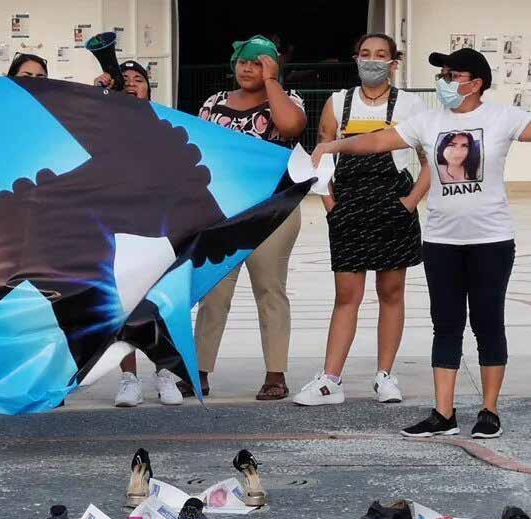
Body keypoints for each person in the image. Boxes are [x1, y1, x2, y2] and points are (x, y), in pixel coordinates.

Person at [312, 47, 531, 439]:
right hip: (441, 241)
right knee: (445, 324)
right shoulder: (429, 121)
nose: (444, 82)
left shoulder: (503, 117)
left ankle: (489, 411)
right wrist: (334, 146)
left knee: (487, 323)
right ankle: (443, 414)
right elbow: (377, 142)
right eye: (442, 75)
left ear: (475, 83)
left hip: (491, 240)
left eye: (452, 76)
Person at [294, 33, 429, 407]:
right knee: (346, 295)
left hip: (393, 207)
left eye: (381, 54)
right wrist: (331, 205)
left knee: (391, 293)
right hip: (349, 207)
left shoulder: (412, 105)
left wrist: (410, 202)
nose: (372, 60)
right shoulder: (338, 102)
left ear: (393, 63)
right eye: (366, 53)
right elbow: (321, 157)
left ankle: (385, 376)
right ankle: (330, 380)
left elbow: (431, 160)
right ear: (355, 58)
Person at [183, 35, 306, 401]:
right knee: (213, 292)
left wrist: (272, 82)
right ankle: (199, 371)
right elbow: (200, 149)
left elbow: (291, 127)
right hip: (222, 211)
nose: (248, 68)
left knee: (270, 289)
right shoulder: (214, 103)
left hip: (274, 210)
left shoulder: (288, 99)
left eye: (258, 62)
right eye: (243, 61)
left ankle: (275, 374)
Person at [94, 60, 184, 407]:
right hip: (117, 225)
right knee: (125, 303)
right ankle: (128, 378)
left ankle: (166, 373)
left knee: (162, 301)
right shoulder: (105, 122)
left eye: (139, 79)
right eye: (125, 79)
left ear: (149, 88)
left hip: (160, 226)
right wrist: (98, 93)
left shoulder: (164, 122)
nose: (131, 83)